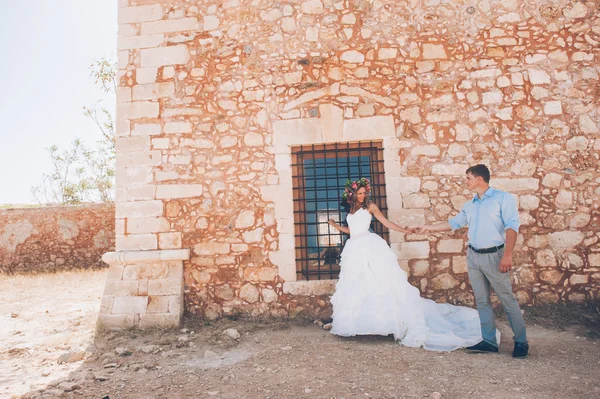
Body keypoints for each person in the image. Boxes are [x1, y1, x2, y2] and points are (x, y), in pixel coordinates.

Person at [326, 178, 482, 351]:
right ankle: (359, 325)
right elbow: (352, 230)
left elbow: (386, 223)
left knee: (379, 282)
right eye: (359, 193)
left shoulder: (370, 207)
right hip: (354, 247)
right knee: (357, 284)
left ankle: (386, 323)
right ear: (352, 194)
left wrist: (405, 230)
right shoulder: (352, 210)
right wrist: (335, 226)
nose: (362, 196)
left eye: (364, 193)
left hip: (369, 246)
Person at [415, 164, 529, 358]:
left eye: (468, 178)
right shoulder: (470, 205)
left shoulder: (503, 199)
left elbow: (512, 227)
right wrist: (426, 228)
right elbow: (452, 224)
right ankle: (489, 341)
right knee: (482, 300)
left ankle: (521, 342)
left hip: (496, 255)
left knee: (506, 299)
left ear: (479, 179)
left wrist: (507, 255)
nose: (465, 181)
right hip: (473, 256)